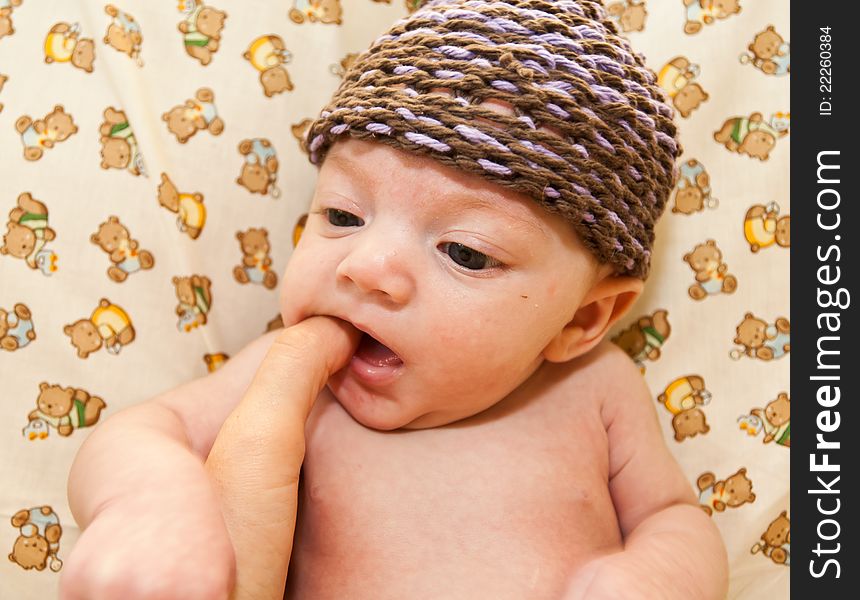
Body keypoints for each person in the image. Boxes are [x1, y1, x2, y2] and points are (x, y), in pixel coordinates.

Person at [61, 1, 729, 598]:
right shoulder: (295, 375)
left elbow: (671, 516)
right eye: (343, 215)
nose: (367, 267)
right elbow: (141, 432)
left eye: (465, 252)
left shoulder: (596, 389)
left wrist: (653, 577)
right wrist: (151, 500)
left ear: (584, 318)